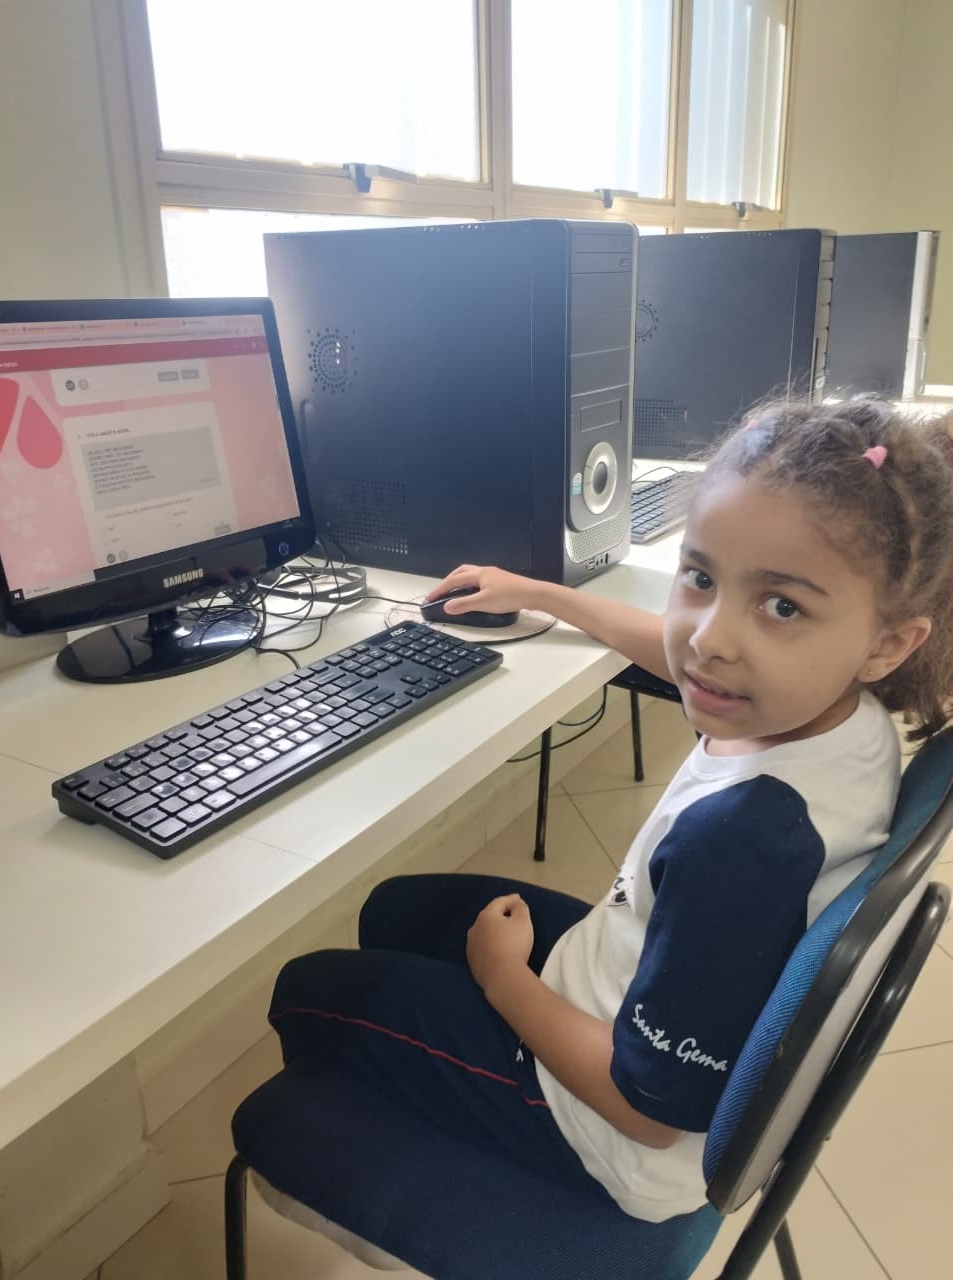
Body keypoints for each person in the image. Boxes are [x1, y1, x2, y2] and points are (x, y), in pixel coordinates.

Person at [267, 398, 953, 1249]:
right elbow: (676, 648)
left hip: (603, 1133)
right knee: (397, 909)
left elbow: (648, 1113)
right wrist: (540, 595)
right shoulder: (830, 712)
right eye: (700, 578)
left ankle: (360, 1170)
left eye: (780, 606)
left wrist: (501, 979)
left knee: (310, 989)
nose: (708, 641)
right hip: (621, 979)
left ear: (888, 644)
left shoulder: (745, 842)